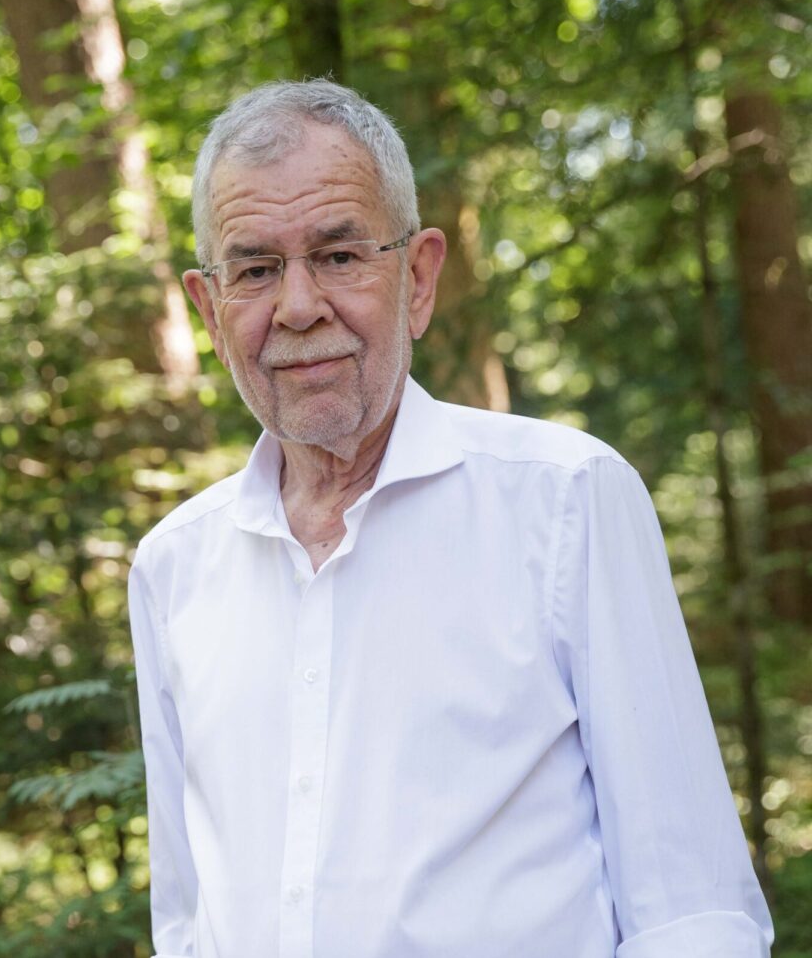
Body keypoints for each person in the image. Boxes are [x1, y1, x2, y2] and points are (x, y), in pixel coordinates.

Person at [127, 79, 773, 958]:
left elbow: (693, 912)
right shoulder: (172, 568)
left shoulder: (567, 501)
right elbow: (187, 923)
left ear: (419, 277)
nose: (299, 305)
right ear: (209, 309)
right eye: (255, 268)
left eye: (341, 254)